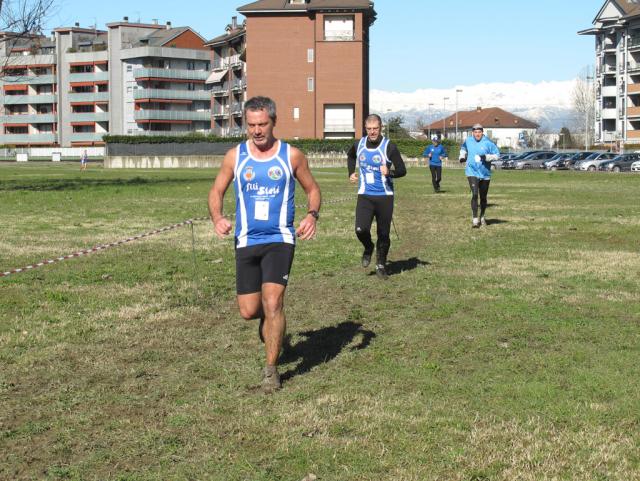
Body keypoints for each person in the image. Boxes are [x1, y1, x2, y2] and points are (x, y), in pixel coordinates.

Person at [208, 96, 321, 393]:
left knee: (273, 302)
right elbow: (216, 190)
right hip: (246, 240)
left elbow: (312, 189)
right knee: (249, 310)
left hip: (279, 239)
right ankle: (275, 326)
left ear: (273, 122)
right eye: (251, 125)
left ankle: (271, 372)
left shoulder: (291, 155)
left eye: (262, 124)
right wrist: (217, 217)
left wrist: (312, 215)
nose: (257, 131)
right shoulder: (235, 156)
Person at [347, 114, 406, 280]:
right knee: (360, 229)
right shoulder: (359, 144)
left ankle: (381, 264)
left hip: (384, 196)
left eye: (375, 129)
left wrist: (390, 172)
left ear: (381, 128)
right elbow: (350, 156)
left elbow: (402, 170)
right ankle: (368, 247)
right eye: (369, 129)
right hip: (365, 195)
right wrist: (351, 172)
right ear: (365, 129)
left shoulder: (389, 146)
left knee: (383, 233)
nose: (372, 132)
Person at [458, 123, 500, 228]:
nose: (477, 134)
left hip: (485, 173)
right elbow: (463, 149)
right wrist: (462, 156)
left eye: (479, 132)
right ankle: (475, 219)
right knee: (475, 194)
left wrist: (485, 157)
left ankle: (482, 216)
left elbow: (497, 155)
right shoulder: (468, 140)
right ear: (472, 132)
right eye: (475, 132)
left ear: (482, 132)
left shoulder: (488, 143)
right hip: (471, 171)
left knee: (483, 197)